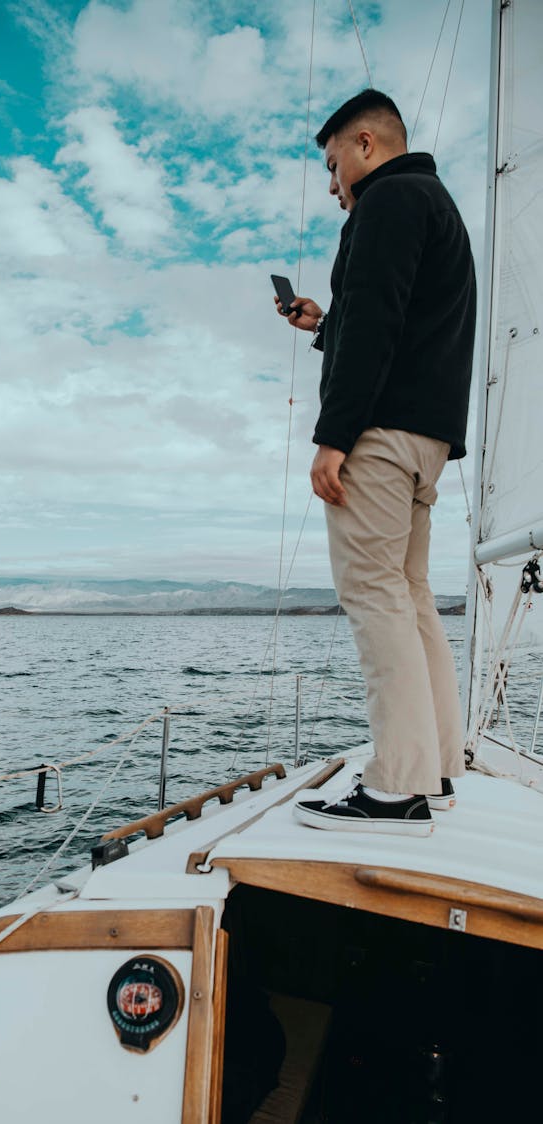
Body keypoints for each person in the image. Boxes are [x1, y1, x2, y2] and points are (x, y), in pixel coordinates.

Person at [275, 89, 476, 836]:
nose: (333, 187)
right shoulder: (436, 204)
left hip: (380, 437)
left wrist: (335, 435)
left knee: (375, 596)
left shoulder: (386, 205)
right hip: (427, 439)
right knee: (412, 598)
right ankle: (437, 768)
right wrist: (323, 324)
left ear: (366, 144)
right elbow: (389, 321)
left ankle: (394, 788)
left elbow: (380, 325)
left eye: (333, 167)